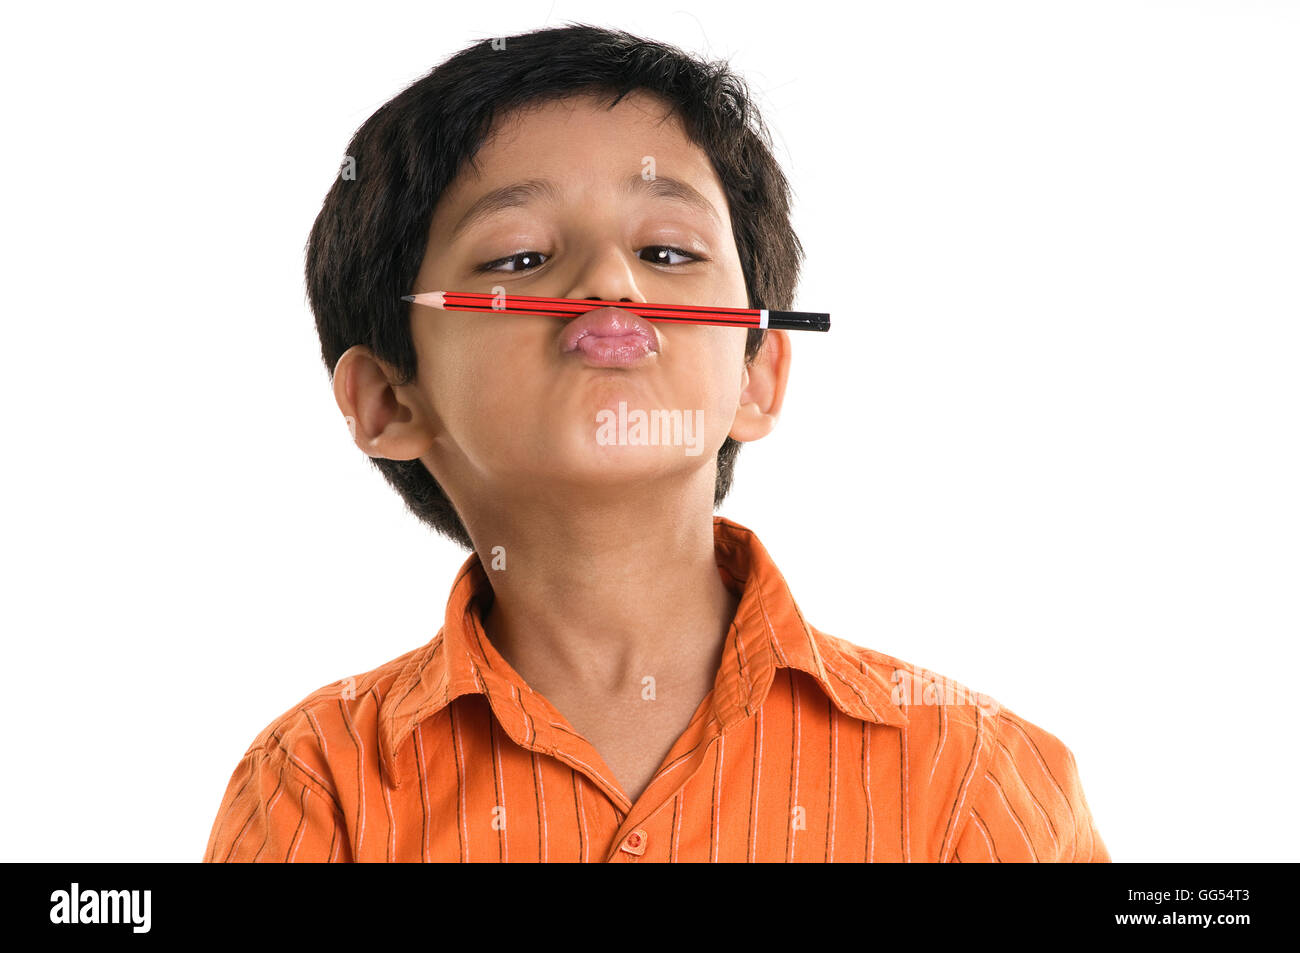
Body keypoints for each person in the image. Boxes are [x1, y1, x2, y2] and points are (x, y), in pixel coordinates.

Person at [205, 23, 1108, 863]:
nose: (610, 280)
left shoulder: (976, 778)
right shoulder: (319, 782)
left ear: (757, 376)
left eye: (669, 253)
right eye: (518, 258)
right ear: (386, 401)